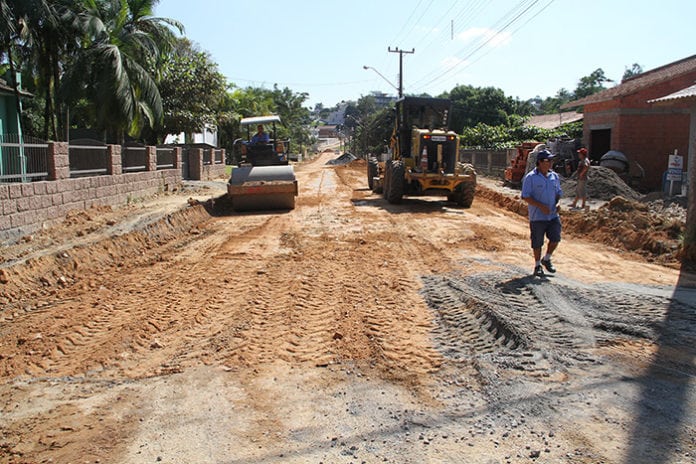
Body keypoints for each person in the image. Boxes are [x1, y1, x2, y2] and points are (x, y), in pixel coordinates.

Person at [521, 149, 563, 277]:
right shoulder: (530, 178)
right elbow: (525, 196)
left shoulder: (554, 176)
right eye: (547, 160)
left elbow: (558, 193)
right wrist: (540, 206)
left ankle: (547, 258)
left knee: (555, 238)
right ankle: (537, 265)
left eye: (551, 160)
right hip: (537, 217)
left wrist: (557, 203)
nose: (550, 163)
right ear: (539, 162)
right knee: (537, 242)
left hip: (553, 215)